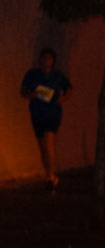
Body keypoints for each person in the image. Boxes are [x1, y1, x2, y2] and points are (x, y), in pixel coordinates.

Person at [20, 48, 73, 191]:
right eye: (43, 58)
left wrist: (62, 99)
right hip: (37, 112)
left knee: (49, 143)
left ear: (53, 61)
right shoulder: (33, 74)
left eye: (49, 58)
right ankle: (49, 175)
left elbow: (69, 88)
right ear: (40, 60)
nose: (46, 61)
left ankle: (50, 177)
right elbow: (23, 91)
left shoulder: (58, 76)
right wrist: (32, 95)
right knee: (42, 147)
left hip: (52, 113)